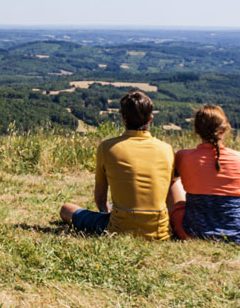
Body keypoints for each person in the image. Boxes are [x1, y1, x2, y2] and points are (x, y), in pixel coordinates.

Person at [58, 90, 176, 240]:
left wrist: (107, 213)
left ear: (123, 119)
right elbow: (168, 196)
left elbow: (100, 199)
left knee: (66, 209)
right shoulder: (167, 149)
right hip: (159, 230)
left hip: (119, 229)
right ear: (150, 118)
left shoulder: (107, 148)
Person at [170, 104, 240, 246]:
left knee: (174, 182)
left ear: (197, 130)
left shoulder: (183, 156)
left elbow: (172, 180)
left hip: (192, 232)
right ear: (224, 129)